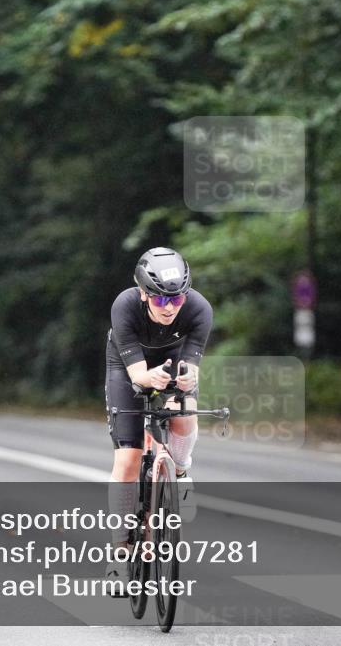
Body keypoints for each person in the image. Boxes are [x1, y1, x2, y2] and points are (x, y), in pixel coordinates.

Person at [103, 247, 212, 583]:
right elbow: (138, 375)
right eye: (161, 300)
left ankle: (180, 471)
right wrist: (149, 380)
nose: (170, 307)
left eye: (176, 300)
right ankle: (120, 552)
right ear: (143, 294)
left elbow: (192, 368)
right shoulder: (124, 306)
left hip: (172, 362)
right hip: (128, 367)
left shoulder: (199, 309)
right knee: (128, 459)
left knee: (185, 412)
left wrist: (188, 378)